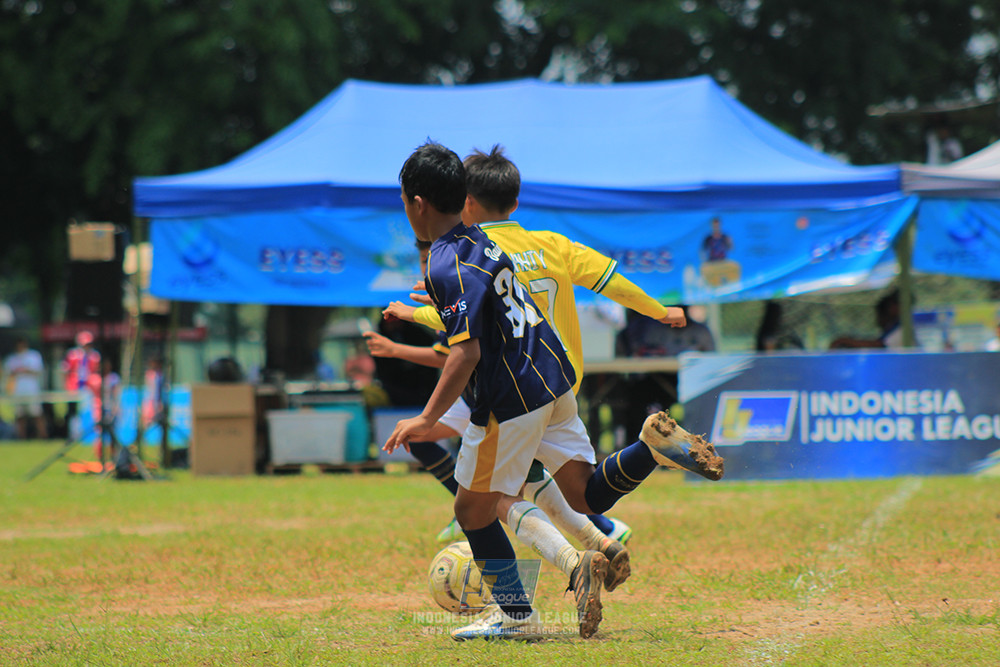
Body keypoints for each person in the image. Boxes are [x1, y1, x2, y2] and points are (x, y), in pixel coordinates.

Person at [386, 142, 723, 641]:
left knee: (471, 510)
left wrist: (423, 418)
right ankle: (650, 450)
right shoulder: (487, 245)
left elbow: (465, 353)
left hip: (511, 397)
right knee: (585, 492)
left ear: (416, 203)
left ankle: (518, 618)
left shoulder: (444, 261)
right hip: (553, 375)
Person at [830, 289, 908, 350]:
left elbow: (880, 346)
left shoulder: (904, 328)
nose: (878, 321)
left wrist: (845, 341)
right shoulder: (892, 329)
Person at [3, 337, 48, 439]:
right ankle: (21, 437)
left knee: (37, 414)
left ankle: (43, 436)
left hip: (31, 390)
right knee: (20, 416)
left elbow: (37, 371)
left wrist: (24, 370)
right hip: (18, 391)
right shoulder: (12, 358)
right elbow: (8, 374)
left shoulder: (33, 356)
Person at [61, 330, 101, 434]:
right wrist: (66, 385)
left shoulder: (94, 356)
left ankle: (89, 431)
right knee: (73, 410)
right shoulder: (72, 355)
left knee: (89, 409)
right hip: (74, 386)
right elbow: (65, 370)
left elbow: (96, 371)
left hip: (89, 387)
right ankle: (74, 433)